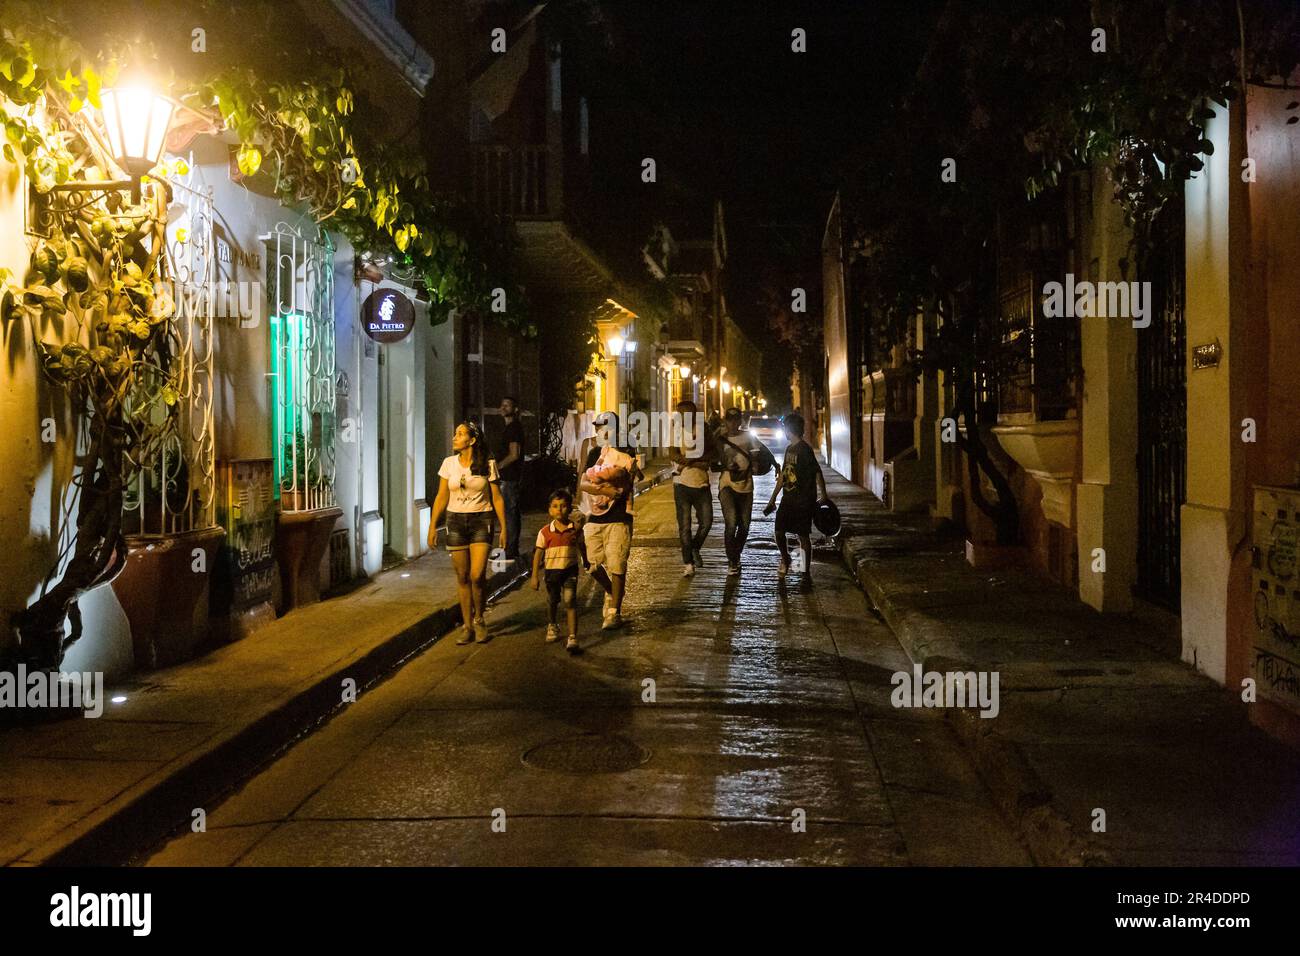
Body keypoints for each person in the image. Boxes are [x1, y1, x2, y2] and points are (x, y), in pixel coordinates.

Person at [429, 420, 507, 644]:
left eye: (460, 434)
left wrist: (504, 528)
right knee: (462, 577)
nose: (455, 437)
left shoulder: (487, 464)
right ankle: (467, 625)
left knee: (477, 574)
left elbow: (497, 497)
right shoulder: (448, 464)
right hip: (455, 521)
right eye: (455, 433)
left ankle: (480, 618)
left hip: (481, 519)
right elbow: (441, 496)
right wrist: (433, 525)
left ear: (471, 440)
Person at [578, 414, 641, 630]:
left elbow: (625, 484)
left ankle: (614, 611)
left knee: (617, 563)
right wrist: (602, 489)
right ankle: (611, 590)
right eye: (597, 427)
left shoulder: (627, 452)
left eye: (604, 427)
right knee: (591, 564)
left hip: (619, 517)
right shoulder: (594, 453)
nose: (600, 431)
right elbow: (584, 483)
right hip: (594, 516)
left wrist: (611, 488)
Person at [763, 412, 829, 581]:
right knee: (778, 532)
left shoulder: (805, 450)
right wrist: (772, 500)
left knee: (803, 536)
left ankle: (805, 572)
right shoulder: (789, 449)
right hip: (788, 499)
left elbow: (817, 472)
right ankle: (786, 558)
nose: (784, 431)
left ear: (790, 429)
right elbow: (784, 476)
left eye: (785, 428)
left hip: (803, 500)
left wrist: (824, 496)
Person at [531, 488, 588, 654]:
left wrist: (586, 561)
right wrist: (535, 576)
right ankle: (552, 624)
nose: (559, 509)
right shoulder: (545, 532)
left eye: (563, 506)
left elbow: (582, 546)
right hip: (551, 573)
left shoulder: (575, 530)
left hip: (569, 571)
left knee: (570, 600)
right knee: (553, 600)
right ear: (550, 509)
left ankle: (572, 636)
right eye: (555, 506)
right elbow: (538, 554)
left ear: (569, 508)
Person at [717, 407, 767, 576]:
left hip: (746, 486)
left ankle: (735, 556)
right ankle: (732, 560)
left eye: (736, 419)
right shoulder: (720, 439)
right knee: (731, 523)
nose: (733, 423)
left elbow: (762, 452)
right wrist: (724, 464)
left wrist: (768, 464)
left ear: (740, 421)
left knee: (744, 526)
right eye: (729, 419)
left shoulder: (748, 437)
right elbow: (712, 459)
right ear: (725, 421)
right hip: (727, 485)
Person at [671, 400, 713, 577]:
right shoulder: (675, 431)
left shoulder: (704, 429)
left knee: (707, 522)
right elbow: (672, 453)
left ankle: (695, 547)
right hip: (681, 484)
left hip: (701, 483)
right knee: (685, 526)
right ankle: (688, 562)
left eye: (686, 413)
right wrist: (693, 459)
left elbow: (712, 453)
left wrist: (691, 459)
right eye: (680, 414)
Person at [495, 396, 525, 559]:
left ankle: (510, 550)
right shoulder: (510, 428)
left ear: (515, 409)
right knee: (509, 513)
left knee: (509, 513)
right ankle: (509, 548)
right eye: (502, 405)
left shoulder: (514, 428)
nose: (503, 408)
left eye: (507, 405)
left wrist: (497, 467)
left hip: (510, 477)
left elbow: (514, 454)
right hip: (509, 477)